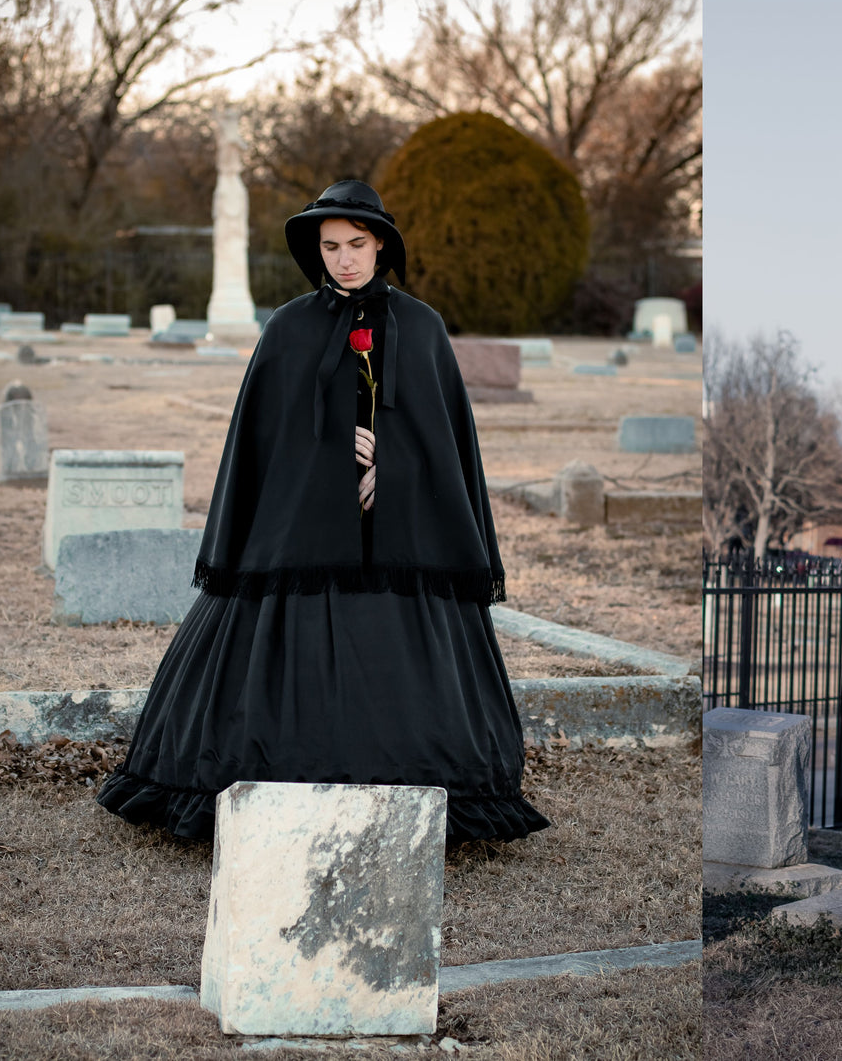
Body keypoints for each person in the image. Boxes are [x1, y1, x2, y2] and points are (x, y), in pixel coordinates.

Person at [98, 180, 549, 844]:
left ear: (382, 247)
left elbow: (444, 448)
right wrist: (333, 461)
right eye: (331, 246)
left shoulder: (420, 327)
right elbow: (262, 446)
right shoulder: (286, 328)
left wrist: (384, 465)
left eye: (357, 245)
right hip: (298, 540)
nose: (344, 259)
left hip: (404, 549)